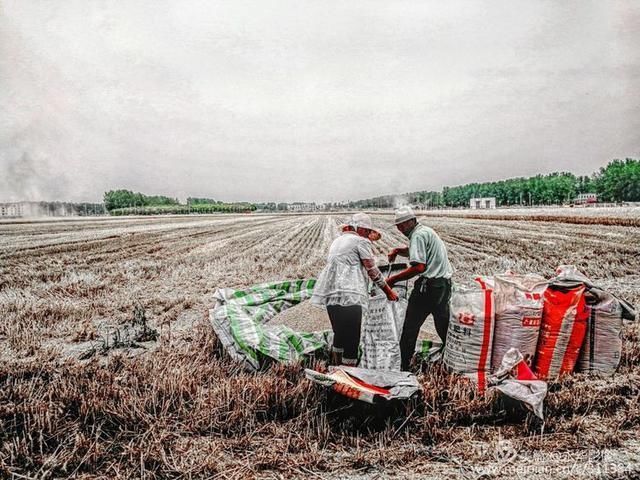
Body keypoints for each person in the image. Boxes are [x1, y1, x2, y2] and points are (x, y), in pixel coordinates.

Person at [311, 213, 399, 366]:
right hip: (350, 293)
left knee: (340, 333)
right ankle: (349, 375)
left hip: (330, 293)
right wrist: (389, 292)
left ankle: (336, 367)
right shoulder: (361, 241)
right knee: (352, 337)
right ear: (358, 229)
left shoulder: (337, 241)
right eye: (366, 231)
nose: (367, 234)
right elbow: (372, 270)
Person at [386, 206, 453, 371]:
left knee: (410, 326)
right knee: (443, 325)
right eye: (398, 226)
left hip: (428, 288)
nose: (400, 229)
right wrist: (397, 250)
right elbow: (415, 252)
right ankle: (455, 359)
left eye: (402, 225)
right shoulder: (425, 231)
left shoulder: (417, 235)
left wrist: (391, 280)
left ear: (410, 221)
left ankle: (402, 366)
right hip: (443, 285)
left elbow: (419, 267)